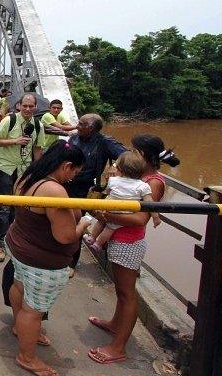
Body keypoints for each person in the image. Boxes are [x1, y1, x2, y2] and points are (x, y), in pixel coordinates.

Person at [87, 134, 179, 365]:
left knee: (128, 294)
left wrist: (107, 214)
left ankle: (118, 347)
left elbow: (140, 219)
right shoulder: (137, 177)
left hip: (129, 242)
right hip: (119, 238)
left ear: (143, 155)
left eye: (133, 149)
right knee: (121, 290)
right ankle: (115, 324)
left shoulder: (152, 183)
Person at [6, 140, 85, 376]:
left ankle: (21, 330)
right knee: (33, 310)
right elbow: (65, 236)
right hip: (41, 261)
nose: (73, 178)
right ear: (66, 165)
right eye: (74, 173)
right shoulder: (54, 190)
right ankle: (27, 357)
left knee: (19, 287)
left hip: (18, 247)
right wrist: (84, 224)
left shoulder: (27, 176)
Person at [64, 113, 127, 275]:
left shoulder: (104, 142)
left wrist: (115, 168)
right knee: (59, 219)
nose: (77, 126)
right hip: (65, 185)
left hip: (84, 189)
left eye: (81, 124)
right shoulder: (74, 138)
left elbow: (128, 157)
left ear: (91, 128)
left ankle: (71, 263)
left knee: (76, 222)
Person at [0, 93, 46, 263]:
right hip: (6, 167)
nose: (28, 109)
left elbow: (37, 149)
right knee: (5, 205)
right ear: (19, 106)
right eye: (25, 106)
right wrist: (15, 141)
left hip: (24, 169)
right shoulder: (9, 121)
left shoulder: (38, 125)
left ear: (35, 107)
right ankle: (1, 242)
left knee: (19, 206)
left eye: (31, 106)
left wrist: (38, 172)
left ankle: (14, 240)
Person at [82, 151, 161, 251]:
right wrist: (155, 217)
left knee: (101, 221)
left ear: (120, 169)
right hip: (125, 212)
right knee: (110, 228)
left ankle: (92, 237)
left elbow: (108, 192)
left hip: (108, 207)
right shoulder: (143, 186)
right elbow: (149, 203)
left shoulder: (113, 180)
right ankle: (98, 244)